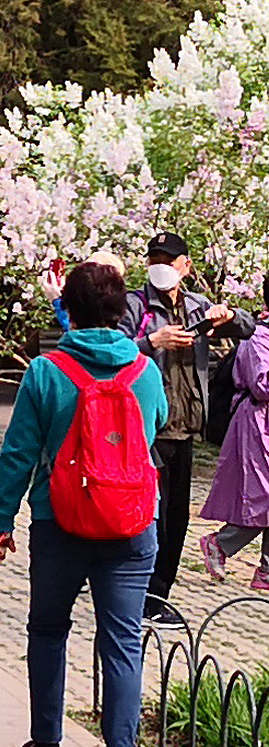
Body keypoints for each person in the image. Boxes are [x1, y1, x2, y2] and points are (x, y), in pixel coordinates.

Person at [0, 260, 168, 747]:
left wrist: (2, 520)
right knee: (122, 640)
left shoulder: (46, 371)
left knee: (48, 629)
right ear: (121, 312)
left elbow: (18, 451)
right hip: (133, 523)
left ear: (67, 307)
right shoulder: (145, 369)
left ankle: (47, 744)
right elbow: (154, 426)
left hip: (60, 519)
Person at [120, 231, 253, 624]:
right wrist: (152, 341)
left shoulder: (197, 306)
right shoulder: (135, 304)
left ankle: (159, 598)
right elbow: (114, 349)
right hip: (145, 428)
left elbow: (245, 328)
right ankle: (133, 592)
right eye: (154, 258)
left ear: (185, 266)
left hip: (186, 425)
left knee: (176, 518)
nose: (161, 266)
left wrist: (227, 316)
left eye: (169, 259)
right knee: (145, 515)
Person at [200, 274, 269, 593]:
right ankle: (220, 543)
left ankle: (266, 569)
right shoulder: (258, 335)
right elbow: (261, 384)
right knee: (261, 495)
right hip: (256, 423)